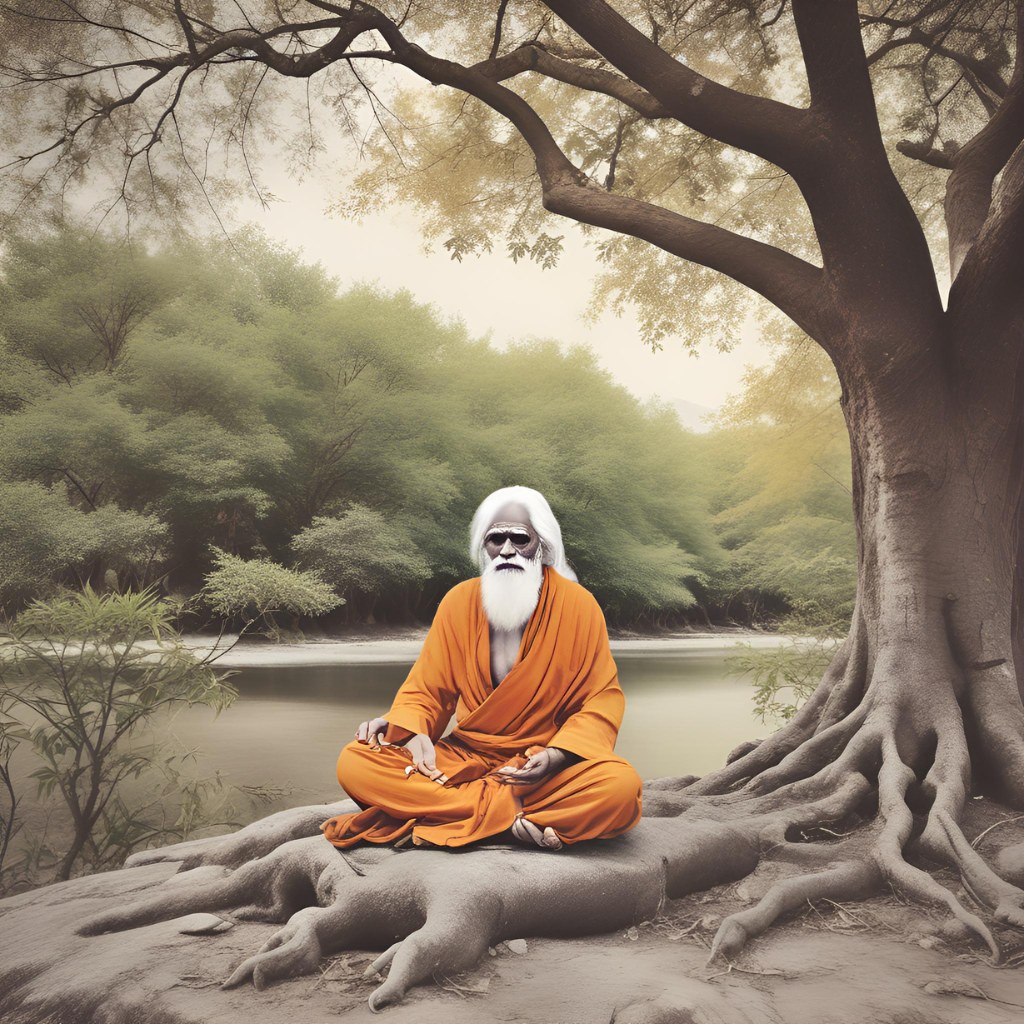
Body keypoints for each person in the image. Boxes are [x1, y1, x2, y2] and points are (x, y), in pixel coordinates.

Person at [319, 485, 642, 851]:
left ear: (543, 545)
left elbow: (601, 699)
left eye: (520, 539)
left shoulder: (579, 606)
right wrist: (405, 726)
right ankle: (508, 823)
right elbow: (428, 690)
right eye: (495, 539)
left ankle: (448, 813)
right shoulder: (459, 601)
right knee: (355, 761)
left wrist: (557, 755)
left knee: (619, 787)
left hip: (537, 766)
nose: (507, 550)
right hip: (464, 757)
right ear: (484, 547)